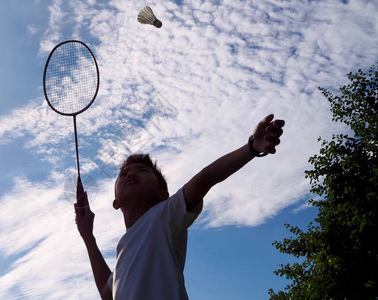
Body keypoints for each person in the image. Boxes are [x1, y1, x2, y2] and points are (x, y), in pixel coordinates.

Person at [75, 114, 285, 300]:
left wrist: (251, 147)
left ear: (163, 195)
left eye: (141, 171)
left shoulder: (164, 215)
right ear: (116, 202)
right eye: (123, 174)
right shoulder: (123, 251)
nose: (130, 174)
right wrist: (88, 237)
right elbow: (106, 291)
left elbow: (206, 178)